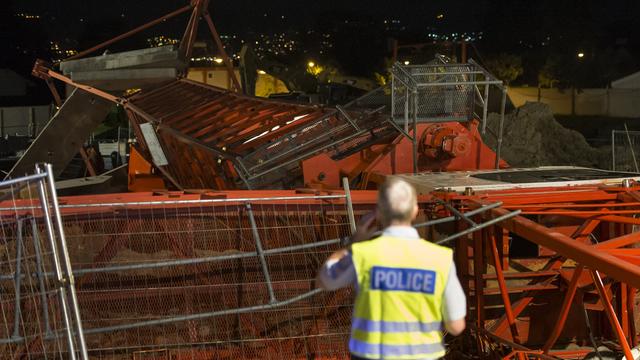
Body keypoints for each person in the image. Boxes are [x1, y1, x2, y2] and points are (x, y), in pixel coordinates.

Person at [317, 177, 466, 360]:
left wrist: (353, 243)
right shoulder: (441, 259)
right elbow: (456, 326)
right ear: (415, 210)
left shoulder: (363, 255)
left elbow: (324, 280)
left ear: (379, 213)